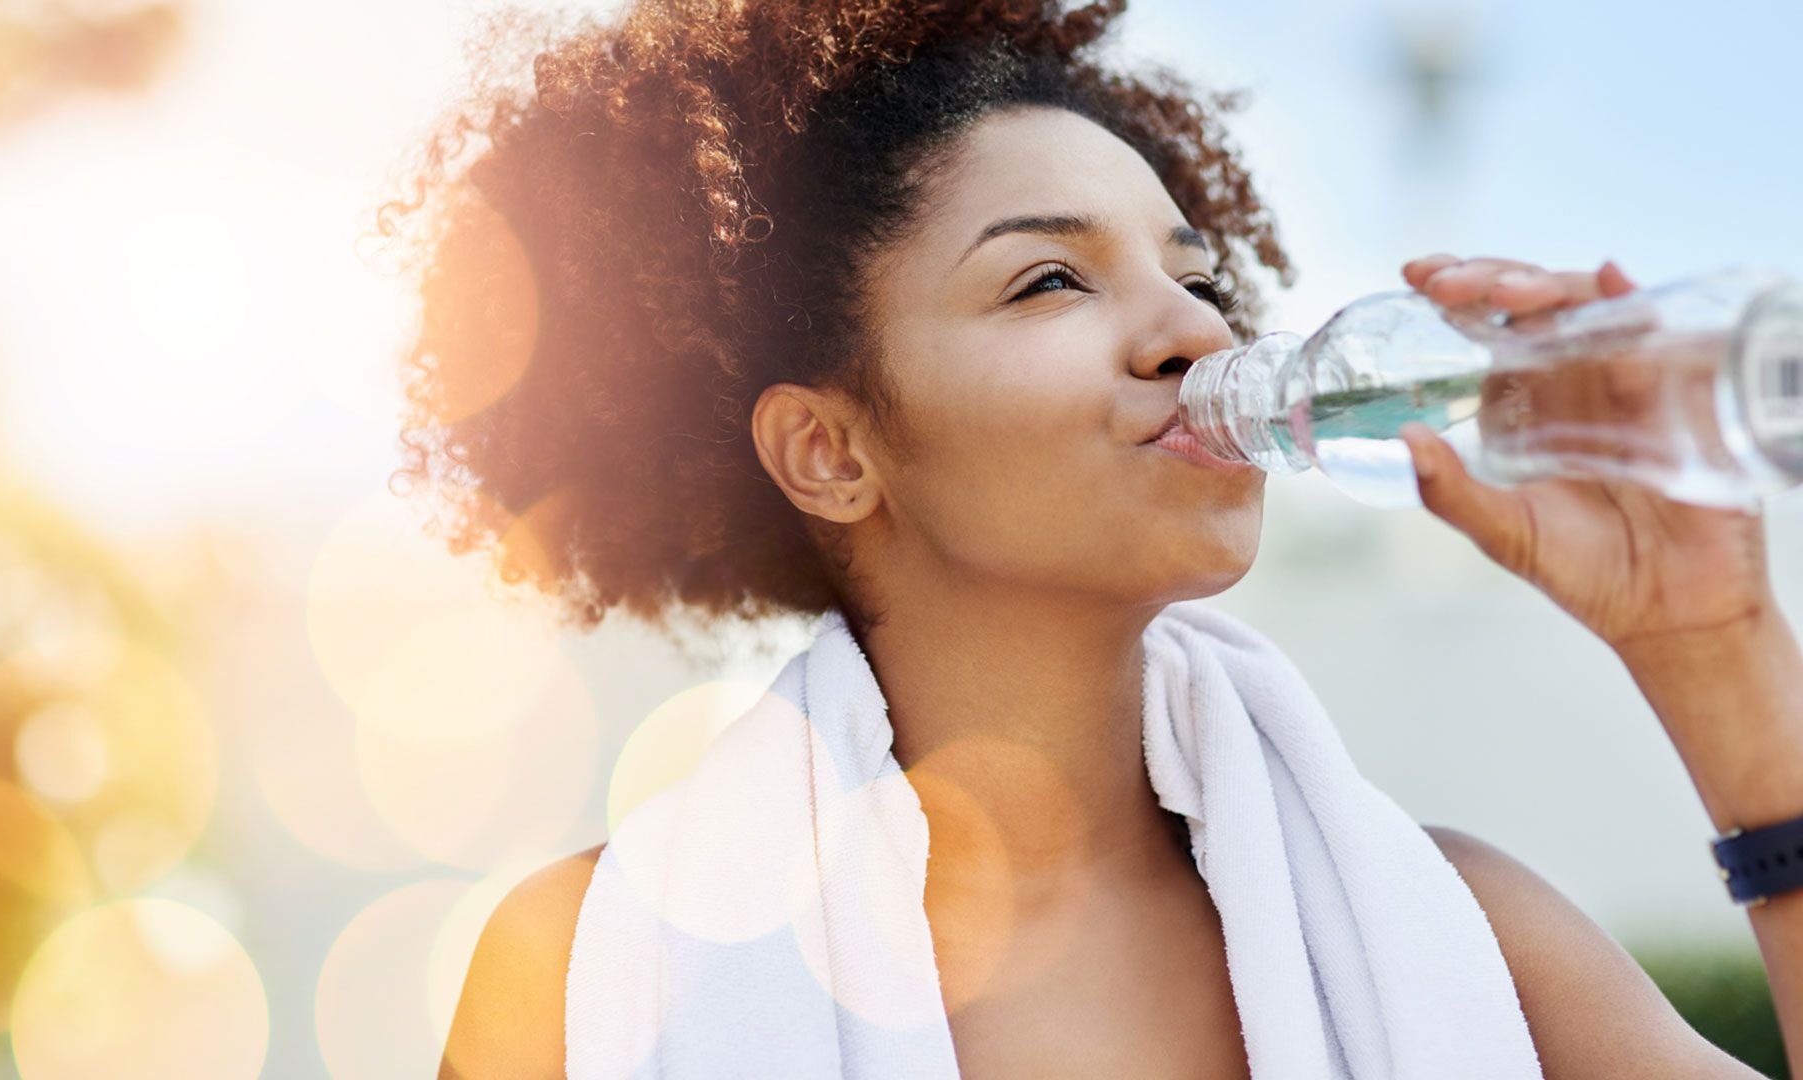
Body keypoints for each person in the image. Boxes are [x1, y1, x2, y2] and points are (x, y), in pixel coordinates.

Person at [384, 1, 1801, 1076]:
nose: (1197, 331)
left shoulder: (1471, 936)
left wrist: (1716, 652)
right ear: (832, 451)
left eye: (1197, 274)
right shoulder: (584, 978)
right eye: (1051, 279)